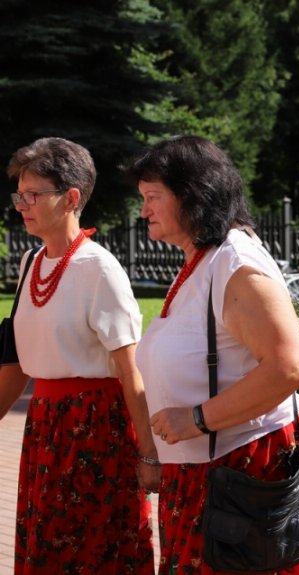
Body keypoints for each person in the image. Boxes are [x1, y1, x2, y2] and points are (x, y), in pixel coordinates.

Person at [127, 135, 299, 574]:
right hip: (211, 472)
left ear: (193, 196)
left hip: (247, 471)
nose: (143, 211)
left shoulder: (236, 262)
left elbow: (291, 366)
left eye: (153, 197)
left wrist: (195, 418)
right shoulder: (204, 258)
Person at [0, 137, 156, 573]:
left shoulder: (99, 268)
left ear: (71, 198)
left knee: (93, 552)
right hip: (45, 427)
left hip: (94, 433)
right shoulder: (31, 263)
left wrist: (147, 455)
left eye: (33, 195)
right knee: (48, 550)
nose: (22, 205)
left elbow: (131, 372)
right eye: (19, 195)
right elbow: (17, 360)